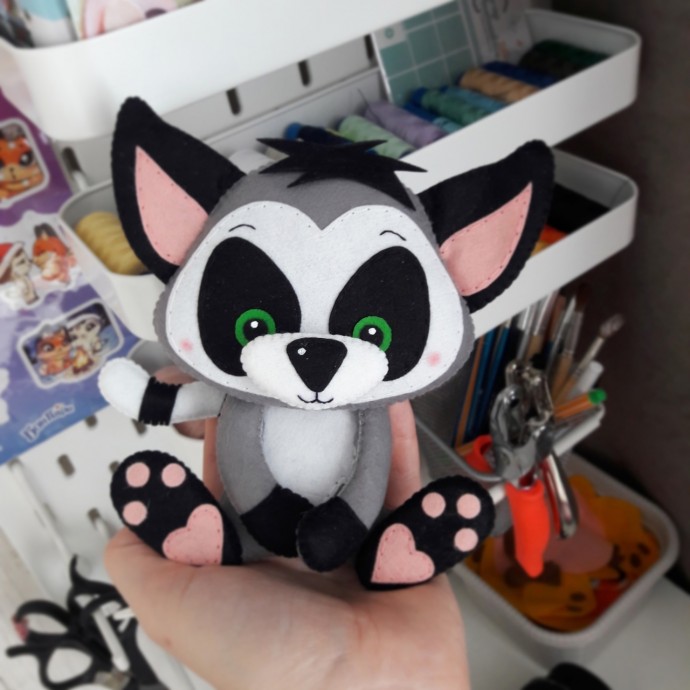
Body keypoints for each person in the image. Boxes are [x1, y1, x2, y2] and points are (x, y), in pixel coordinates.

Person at [106, 395, 471, 690]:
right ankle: (392, 554)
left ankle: (212, 539)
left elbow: (370, 467)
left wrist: (334, 525)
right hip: (322, 541)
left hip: (310, 538)